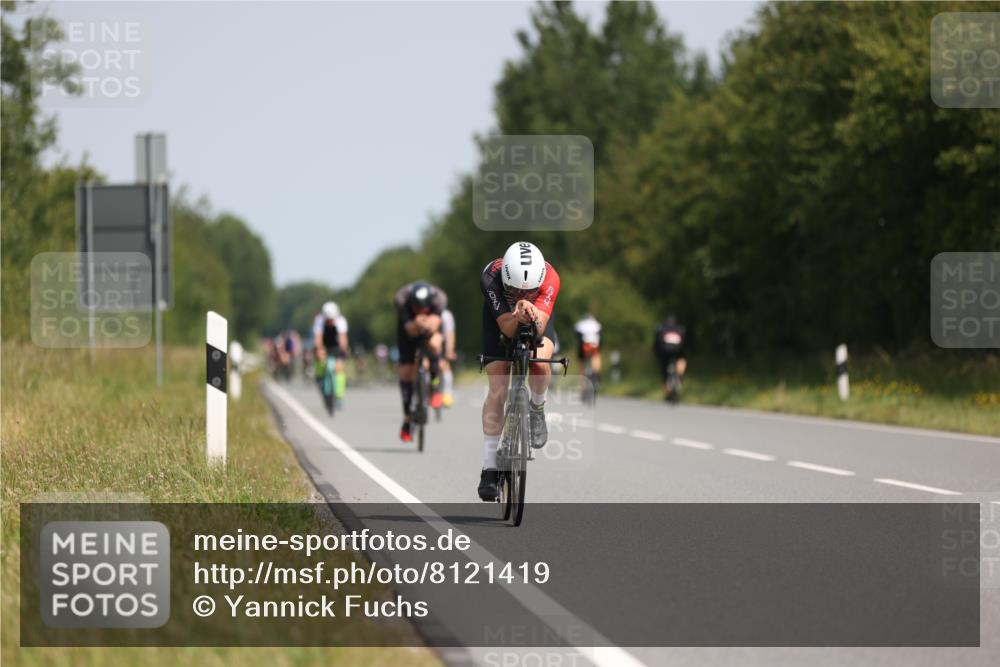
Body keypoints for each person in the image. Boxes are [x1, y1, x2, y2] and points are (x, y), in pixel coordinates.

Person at [478, 241, 560, 501]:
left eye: (529, 291)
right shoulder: (491, 276)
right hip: (499, 320)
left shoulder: (550, 278)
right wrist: (515, 313)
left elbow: (540, 327)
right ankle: (490, 466)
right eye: (512, 290)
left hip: (538, 318)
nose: (520, 295)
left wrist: (533, 314)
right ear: (505, 280)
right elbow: (507, 329)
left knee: (540, 360)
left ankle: (537, 408)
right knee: (499, 387)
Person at [394, 281, 448, 443]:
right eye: (418, 308)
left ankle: (435, 385)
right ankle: (407, 418)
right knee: (406, 371)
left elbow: (436, 323)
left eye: (424, 308)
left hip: (430, 327)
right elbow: (410, 329)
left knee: (435, 344)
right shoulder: (401, 299)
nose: (422, 311)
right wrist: (417, 321)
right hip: (408, 328)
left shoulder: (439, 298)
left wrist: (428, 324)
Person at [313, 301, 350, 406]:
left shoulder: (341, 321)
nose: (330, 322)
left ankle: (339, 396)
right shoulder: (319, 320)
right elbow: (318, 337)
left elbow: (343, 338)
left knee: (339, 368)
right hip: (324, 344)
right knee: (320, 360)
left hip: (335, 345)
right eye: (328, 320)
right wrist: (319, 350)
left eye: (331, 320)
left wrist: (344, 349)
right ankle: (320, 378)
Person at [654, 314, 687, 400]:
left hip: (664, 352)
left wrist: (656, 354)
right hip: (678, 351)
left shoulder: (661, 328)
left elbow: (656, 343)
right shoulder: (680, 328)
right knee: (681, 359)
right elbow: (685, 343)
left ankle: (668, 392)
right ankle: (680, 375)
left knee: (664, 372)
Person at [573, 312, 602, 397]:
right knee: (596, 357)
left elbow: (576, 336)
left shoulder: (580, 324)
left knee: (581, 365)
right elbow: (600, 336)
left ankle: (583, 387)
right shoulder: (597, 324)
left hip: (584, 345)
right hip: (595, 345)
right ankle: (596, 375)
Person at [440, 308, 457, 407]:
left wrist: (449, 352)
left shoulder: (445, 315)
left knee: (445, 365)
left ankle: (447, 393)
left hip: (443, 341)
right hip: (426, 339)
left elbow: (450, 334)